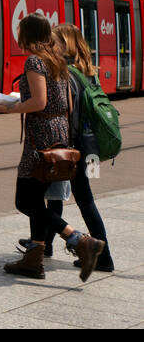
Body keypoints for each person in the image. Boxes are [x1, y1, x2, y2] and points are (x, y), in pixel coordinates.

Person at [0, 13, 105, 281]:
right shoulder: (58, 60)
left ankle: (80, 241)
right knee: (36, 199)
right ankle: (34, 259)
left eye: (20, 31)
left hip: (41, 139)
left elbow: (38, 102)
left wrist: (8, 108)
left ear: (27, 34)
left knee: (25, 200)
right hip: (58, 134)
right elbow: (67, 105)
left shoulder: (34, 60)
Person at [38, 23, 114, 272]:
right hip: (91, 146)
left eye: (55, 41)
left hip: (75, 145)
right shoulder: (88, 71)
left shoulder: (68, 73)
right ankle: (46, 244)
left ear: (66, 43)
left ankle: (103, 256)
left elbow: (65, 110)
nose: (52, 45)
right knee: (64, 194)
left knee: (80, 198)